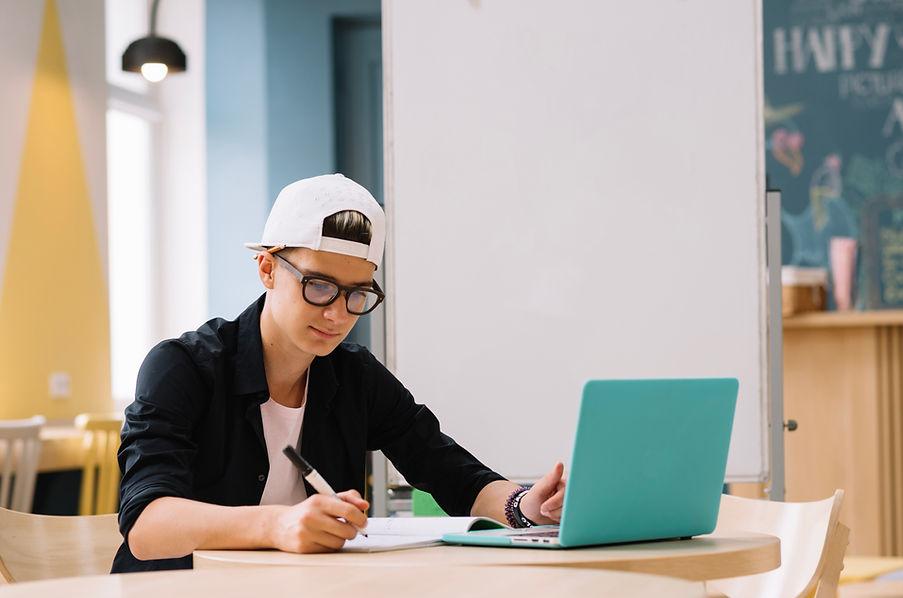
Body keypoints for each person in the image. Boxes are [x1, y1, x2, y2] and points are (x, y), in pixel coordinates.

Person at [112, 173, 566, 573]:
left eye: (357, 294)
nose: (336, 313)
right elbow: (147, 526)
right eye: (319, 286)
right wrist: (279, 523)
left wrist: (527, 506)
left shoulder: (354, 376)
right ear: (267, 268)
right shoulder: (183, 367)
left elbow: (452, 473)